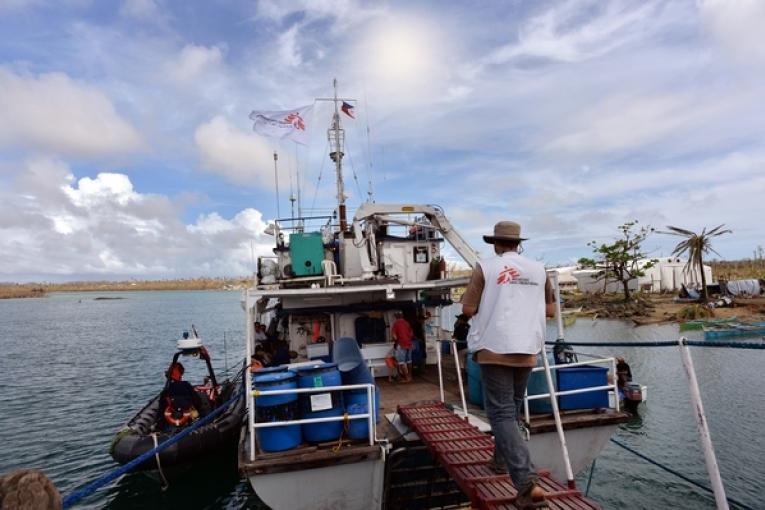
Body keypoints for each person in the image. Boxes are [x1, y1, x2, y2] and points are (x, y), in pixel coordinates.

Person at [461, 221, 554, 509]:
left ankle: (527, 483)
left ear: (495, 244)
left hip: (495, 347)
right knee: (511, 409)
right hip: (527, 349)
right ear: (518, 243)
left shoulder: (485, 267)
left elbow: (468, 309)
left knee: (500, 413)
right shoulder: (539, 269)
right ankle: (501, 461)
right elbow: (550, 310)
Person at [391, 311, 414, 383]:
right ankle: (410, 376)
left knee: (401, 362)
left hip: (401, 344)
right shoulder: (407, 323)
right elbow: (411, 333)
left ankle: (406, 378)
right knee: (409, 361)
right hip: (409, 344)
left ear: (396, 317)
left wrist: (395, 340)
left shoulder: (396, 324)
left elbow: (394, 336)